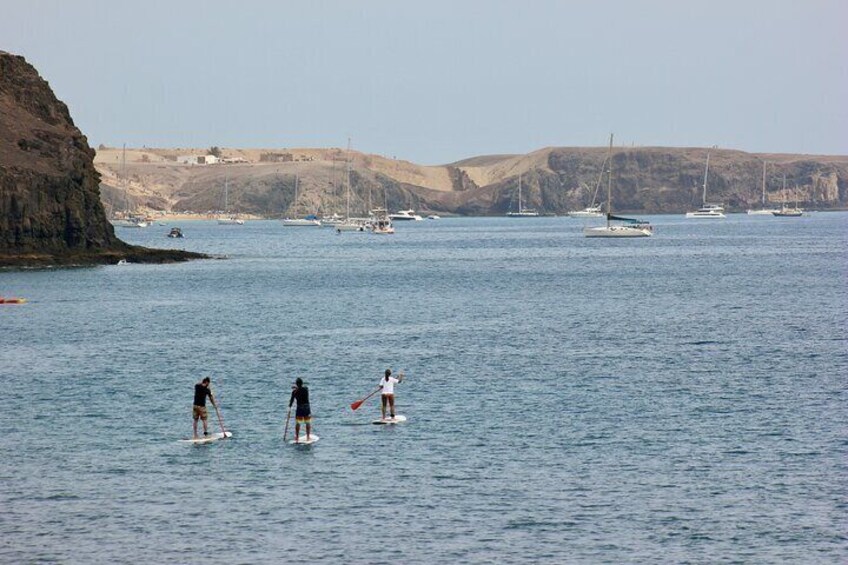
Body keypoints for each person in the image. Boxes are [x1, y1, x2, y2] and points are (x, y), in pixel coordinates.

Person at [289, 378, 312, 442]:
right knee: (307, 423)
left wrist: (290, 406)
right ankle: (308, 437)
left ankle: (297, 437)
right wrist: (296, 387)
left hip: (299, 408)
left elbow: (291, 401)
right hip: (306, 408)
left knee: (298, 423)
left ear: (296, 384)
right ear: (302, 384)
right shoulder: (306, 389)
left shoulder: (294, 392)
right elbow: (304, 388)